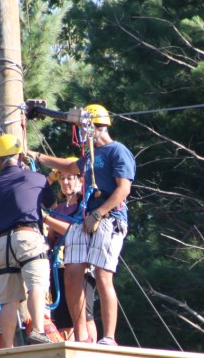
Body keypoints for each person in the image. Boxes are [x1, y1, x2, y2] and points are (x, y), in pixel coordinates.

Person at [36, 104, 135, 345]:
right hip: (86, 217)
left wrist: (99, 213)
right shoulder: (91, 155)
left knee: (102, 275)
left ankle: (109, 337)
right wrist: (36, 156)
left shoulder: (117, 151)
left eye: (84, 128)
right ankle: (81, 336)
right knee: (72, 274)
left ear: (98, 127)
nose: (82, 133)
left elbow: (124, 188)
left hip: (109, 218)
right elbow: (69, 167)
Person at [0, 133, 56, 348]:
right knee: (36, 285)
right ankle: (39, 331)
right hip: (28, 236)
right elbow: (50, 203)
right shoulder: (36, 178)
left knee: (8, 298)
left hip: (3, 244)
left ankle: (7, 346)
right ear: (20, 156)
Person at [45, 160, 98, 341]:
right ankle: (70, 346)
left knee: (85, 313)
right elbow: (52, 237)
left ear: (80, 181)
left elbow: (73, 229)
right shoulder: (58, 208)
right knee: (64, 318)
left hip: (81, 263)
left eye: (70, 178)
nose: (66, 182)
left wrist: (46, 219)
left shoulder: (84, 206)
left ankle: (91, 349)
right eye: (63, 179)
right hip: (59, 265)